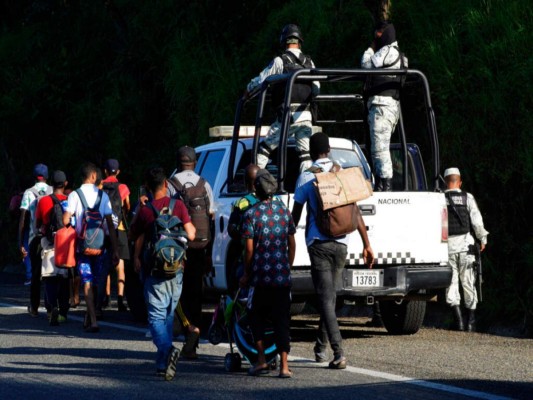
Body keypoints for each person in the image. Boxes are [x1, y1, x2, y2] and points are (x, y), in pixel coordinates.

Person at [291, 132, 375, 369]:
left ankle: (338, 352)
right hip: (342, 243)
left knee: (326, 299)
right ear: (328, 150)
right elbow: (356, 212)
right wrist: (367, 244)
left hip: (318, 244)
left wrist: (282, 235)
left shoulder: (307, 176)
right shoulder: (342, 172)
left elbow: (295, 216)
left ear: (310, 150)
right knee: (330, 297)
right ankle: (320, 347)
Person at [130, 166, 195, 380]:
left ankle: (167, 350)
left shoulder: (146, 210)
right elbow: (192, 235)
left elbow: (134, 235)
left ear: (147, 187)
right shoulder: (178, 206)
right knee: (167, 314)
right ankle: (161, 364)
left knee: (156, 317)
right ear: (166, 184)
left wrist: (137, 257)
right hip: (177, 269)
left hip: (155, 270)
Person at [239, 169, 296, 378]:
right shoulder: (284, 212)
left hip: (260, 278)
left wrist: (246, 273)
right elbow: (292, 243)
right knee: (282, 320)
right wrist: (286, 266)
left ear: (256, 190)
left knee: (256, 317)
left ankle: (261, 360)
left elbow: (249, 250)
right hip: (281, 278)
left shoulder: (251, 214)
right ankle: (284, 366)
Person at [244, 23, 319, 173]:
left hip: (287, 116)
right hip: (306, 116)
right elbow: (316, 88)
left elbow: (261, 80)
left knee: (265, 148)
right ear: (300, 42)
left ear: (284, 41)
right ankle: (307, 182)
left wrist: (247, 92)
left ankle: (255, 183)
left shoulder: (280, 61)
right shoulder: (310, 62)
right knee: (304, 155)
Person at [167, 146, 215, 359]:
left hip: (176, 249)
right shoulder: (204, 185)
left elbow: (164, 217)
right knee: (196, 292)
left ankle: (183, 332)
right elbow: (211, 218)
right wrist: (209, 254)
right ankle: (192, 339)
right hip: (200, 246)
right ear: (194, 163)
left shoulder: (170, 184)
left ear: (178, 162)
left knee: (175, 292)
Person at [62, 162, 119, 333]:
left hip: (83, 248)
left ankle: (92, 319)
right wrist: (116, 250)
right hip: (100, 247)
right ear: (93, 176)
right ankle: (91, 315)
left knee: (86, 280)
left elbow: (65, 220)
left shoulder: (74, 195)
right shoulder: (103, 196)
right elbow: (110, 226)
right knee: (95, 280)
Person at [361, 20, 408, 191]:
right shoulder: (400, 55)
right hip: (387, 107)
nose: (377, 37)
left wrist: (370, 49)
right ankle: (381, 184)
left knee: (380, 149)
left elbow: (366, 65)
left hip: (382, 106)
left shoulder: (387, 51)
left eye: (379, 33)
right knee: (377, 148)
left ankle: (386, 186)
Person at [444, 167, 488, 332]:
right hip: (466, 247)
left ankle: (459, 322)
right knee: (469, 283)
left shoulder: (440, 198)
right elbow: (476, 221)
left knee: (451, 284)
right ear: (460, 182)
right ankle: (471, 322)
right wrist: (482, 239)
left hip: (447, 248)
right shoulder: (467, 197)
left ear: (445, 183)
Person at [35, 170, 70, 325]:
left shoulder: (43, 201)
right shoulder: (70, 200)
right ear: (65, 184)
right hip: (66, 243)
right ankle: (63, 312)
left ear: (51, 185)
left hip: (49, 242)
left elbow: (38, 224)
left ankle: (51, 309)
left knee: (50, 276)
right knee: (64, 277)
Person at [18, 163, 53, 316]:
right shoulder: (53, 191)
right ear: (47, 177)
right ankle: (51, 305)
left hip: (34, 238)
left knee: (36, 273)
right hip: (51, 238)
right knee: (51, 273)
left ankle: (34, 307)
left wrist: (20, 242)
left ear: (34, 177)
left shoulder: (28, 193)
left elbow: (23, 220)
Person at [101, 158, 131, 312]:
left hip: (104, 229)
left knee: (105, 262)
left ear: (105, 171)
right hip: (119, 229)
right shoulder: (123, 187)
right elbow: (127, 206)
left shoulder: (100, 186)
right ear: (118, 172)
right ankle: (120, 299)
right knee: (120, 265)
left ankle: (106, 297)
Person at [227, 164, 260, 291]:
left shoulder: (241, 202)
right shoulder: (274, 201)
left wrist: (243, 234)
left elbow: (231, 230)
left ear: (245, 182)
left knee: (235, 284)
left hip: (247, 256)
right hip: (271, 256)